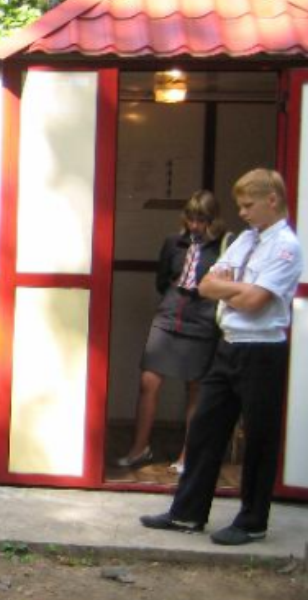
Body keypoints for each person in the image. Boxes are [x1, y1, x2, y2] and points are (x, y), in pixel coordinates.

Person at [141, 168, 303, 545]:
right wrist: (235, 287)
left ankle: (251, 521)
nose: (243, 213)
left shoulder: (286, 246)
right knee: (204, 429)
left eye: (249, 205)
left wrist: (228, 288)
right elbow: (205, 284)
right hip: (229, 344)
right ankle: (187, 513)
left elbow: (254, 300)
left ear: (272, 200)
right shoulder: (246, 239)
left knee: (259, 438)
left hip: (262, 350)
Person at [115, 191, 225, 473]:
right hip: (168, 317)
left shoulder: (222, 248)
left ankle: (187, 456)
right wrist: (173, 301)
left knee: (195, 388)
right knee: (149, 381)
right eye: (191, 218)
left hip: (201, 322)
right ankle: (139, 448)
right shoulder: (173, 243)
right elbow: (162, 280)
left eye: (202, 220)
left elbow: (222, 286)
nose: (195, 226)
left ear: (212, 220)